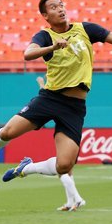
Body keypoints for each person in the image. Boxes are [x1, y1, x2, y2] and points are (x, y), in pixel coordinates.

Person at [0, 0, 112, 211]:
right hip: (49, 98)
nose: (60, 9)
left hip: (74, 107)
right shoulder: (45, 36)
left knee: (64, 165)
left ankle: (27, 168)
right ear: (45, 15)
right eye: (54, 7)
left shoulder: (86, 29)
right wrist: (52, 48)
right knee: (7, 132)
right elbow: (28, 54)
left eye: (61, 5)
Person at [35, 75, 85, 211]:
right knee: (66, 170)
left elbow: (46, 97)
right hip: (70, 127)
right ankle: (71, 202)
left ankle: (78, 199)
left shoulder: (56, 91)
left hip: (66, 129)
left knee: (62, 168)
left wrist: (41, 83)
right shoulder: (65, 89)